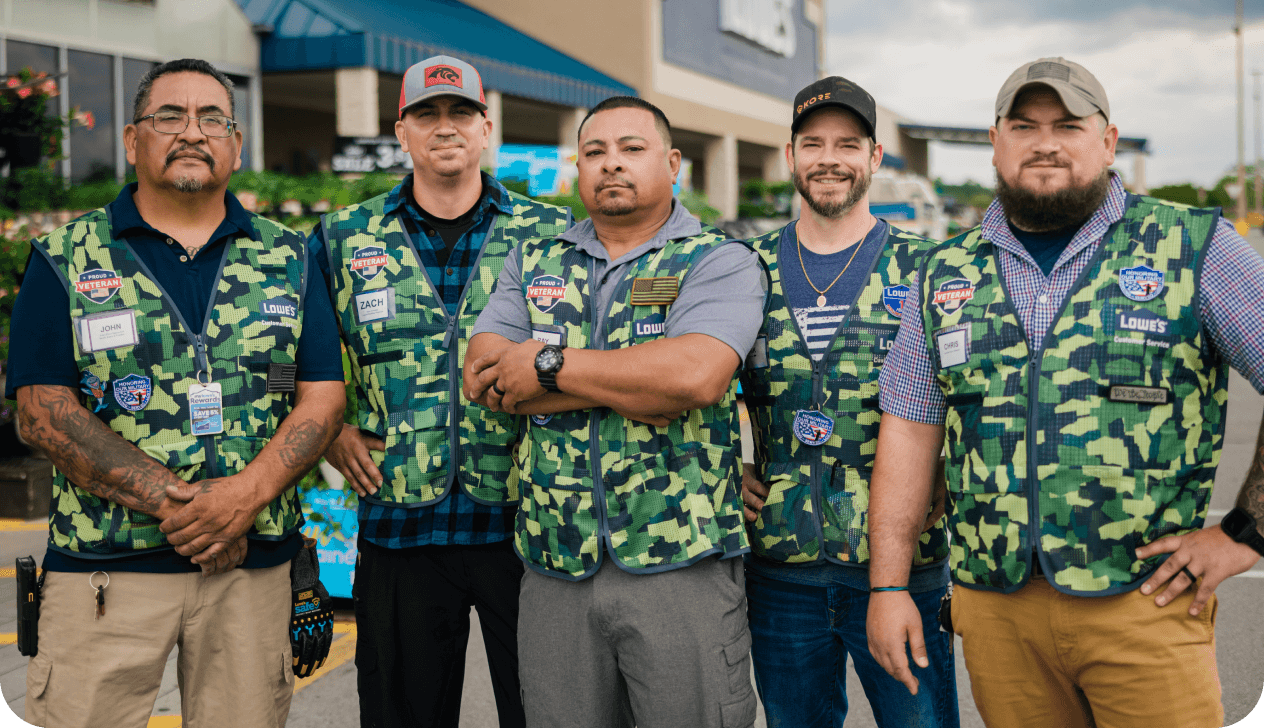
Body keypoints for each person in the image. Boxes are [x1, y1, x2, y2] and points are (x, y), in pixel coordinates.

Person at [866, 57, 1264, 728]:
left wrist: (1248, 533)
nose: (1044, 142)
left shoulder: (1193, 246)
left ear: (1107, 142)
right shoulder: (945, 271)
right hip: (996, 611)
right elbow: (909, 429)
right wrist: (888, 586)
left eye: (1068, 125)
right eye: (1024, 125)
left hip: (1145, 604)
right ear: (996, 142)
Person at [7, 58, 346, 728]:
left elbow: (323, 397)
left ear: (236, 144)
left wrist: (242, 499)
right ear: (134, 140)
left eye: (212, 118)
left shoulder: (290, 257)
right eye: (170, 115)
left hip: (253, 576)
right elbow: (41, 412)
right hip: (105, 576)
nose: (193, 131)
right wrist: (193, 511)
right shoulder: (66, 257)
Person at [462, 96, 765, 728]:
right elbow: (487, 376)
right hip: (555, 568)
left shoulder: (718, 260)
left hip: (680, 564)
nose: (611, 165)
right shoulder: (535, 262)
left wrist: (545, 366)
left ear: (672, 162)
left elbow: (694, 377)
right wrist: (635, 384)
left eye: (632, 149)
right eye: (595, 152)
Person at [314, 54, 571, 728]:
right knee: (404, 714)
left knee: (545, 711)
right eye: (427, 113)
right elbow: (285, 354)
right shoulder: (343, 237)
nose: (445, 126)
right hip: (399, 524)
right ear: (402, 132)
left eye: (461, 112)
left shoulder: (549, 235)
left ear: (486, 128)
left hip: (527, 525)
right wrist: (329, 428)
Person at [739, 76, 958, 727]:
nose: (828, 158)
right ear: (790, 156)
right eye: (813, 143)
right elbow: (700, 379)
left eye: (847, 144)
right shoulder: (745, 269)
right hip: (780, 570)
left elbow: (977, 391)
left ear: (875, 157)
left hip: (904, 567)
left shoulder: (930, 270)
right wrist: (727, 466)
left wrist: (955, 472)